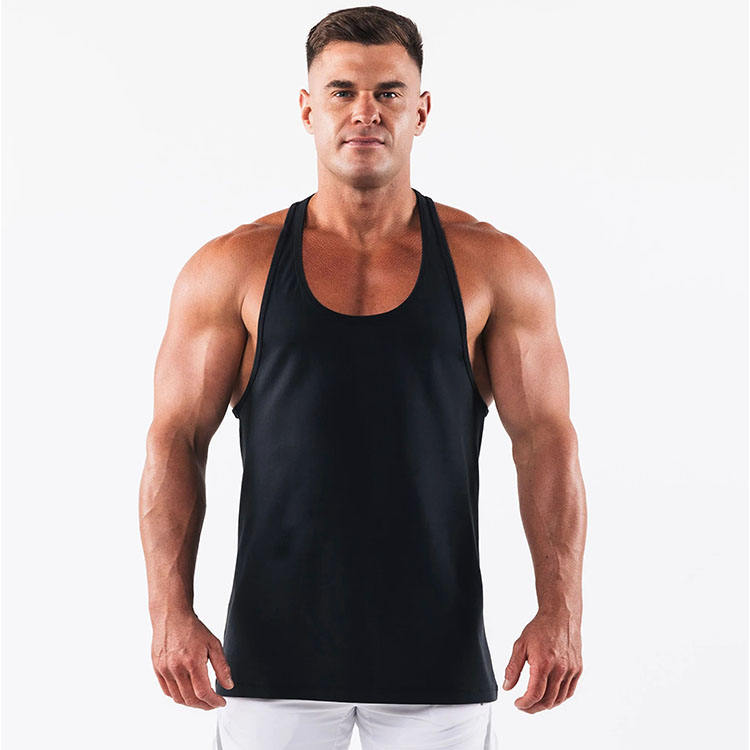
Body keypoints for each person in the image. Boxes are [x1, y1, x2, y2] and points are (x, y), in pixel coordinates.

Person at [138, 6, 587, 749]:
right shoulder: (234, 266)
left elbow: (545, 440)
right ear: (307, 109)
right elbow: (176, 439)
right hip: (269, 663)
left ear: (422, 110)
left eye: (389, 92)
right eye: (342, 92)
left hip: (436, 663)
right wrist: (168, 612)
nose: (365, 112)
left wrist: (561, 609)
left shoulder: (494, 266)